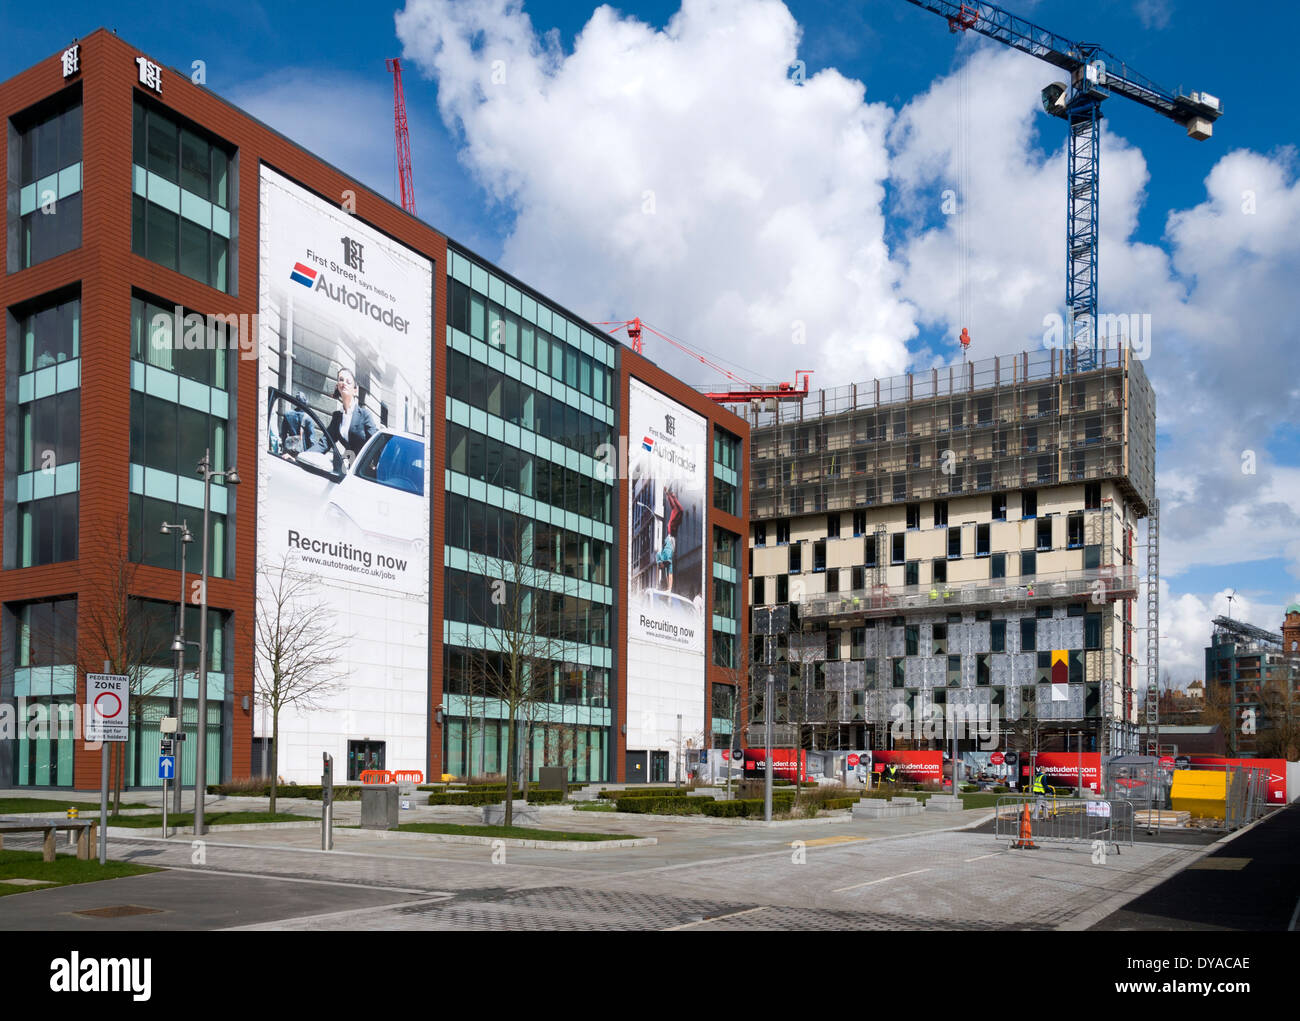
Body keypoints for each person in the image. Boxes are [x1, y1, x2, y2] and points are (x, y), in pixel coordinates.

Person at [326, 367, 379, 462]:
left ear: (355, 390)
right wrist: (304, 456)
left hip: (363, 469)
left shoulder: (365, 415)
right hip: (348, 466)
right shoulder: (337, 416)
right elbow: (325, 442)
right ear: (338, 386)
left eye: (348, 381)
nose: (344, 383)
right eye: (341, 380)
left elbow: (375, 445)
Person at [656, 488, 684, 591]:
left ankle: (669, 587)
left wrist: (671, 495)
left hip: (670, 535)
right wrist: (669, 588)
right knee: (675, 510)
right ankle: (669, 588)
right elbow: (669, 575)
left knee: (678, 510)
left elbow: (680, 509)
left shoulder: (661, 557)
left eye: (661, 566)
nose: (663, 567)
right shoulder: (667, 561)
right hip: (671, 536)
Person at [279, 390, 318, 457]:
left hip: (289, 450)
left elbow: (283, 434)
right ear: (305, 403)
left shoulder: (287, 414)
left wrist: (284, 447)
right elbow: (312, 440)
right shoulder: (308, 418)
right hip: (302, 453)